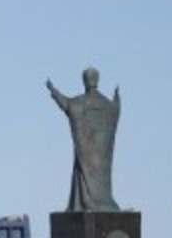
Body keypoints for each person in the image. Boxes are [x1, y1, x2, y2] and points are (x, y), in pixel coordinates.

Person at [46, 68, 122, 213]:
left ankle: (85, 202)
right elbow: (116, 109)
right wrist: (117, 100)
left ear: (84, 81)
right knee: (97, 179)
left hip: (85, 152)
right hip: (102, 157)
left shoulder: (79, 103)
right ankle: (101, 201)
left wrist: (53, 90)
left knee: (82, 171)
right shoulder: (107, 105)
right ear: (97, 81)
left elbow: (66, 104)